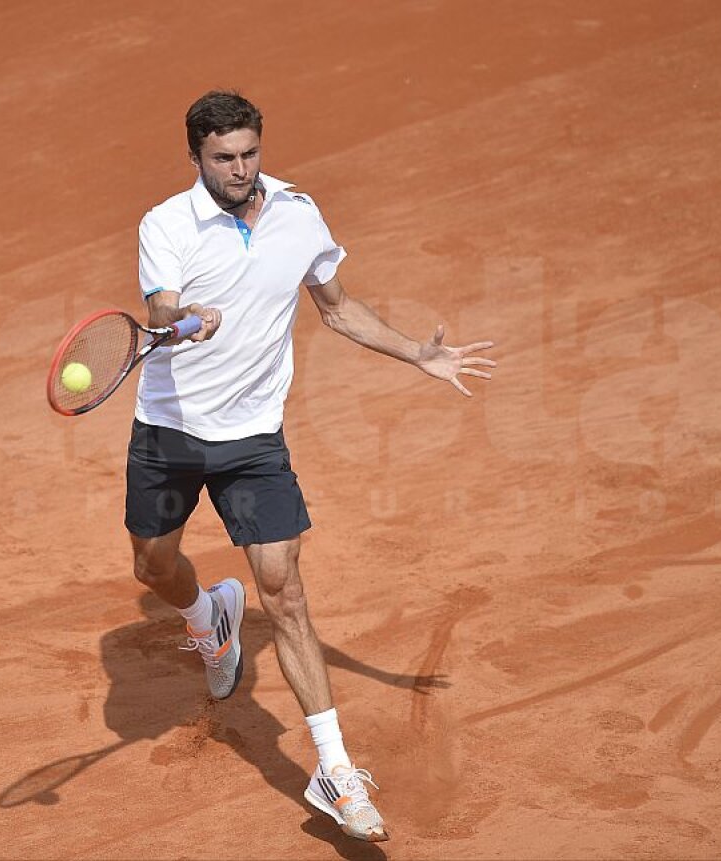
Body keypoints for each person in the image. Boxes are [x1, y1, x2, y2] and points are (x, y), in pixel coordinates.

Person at [126, 90, 496, 843]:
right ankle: (209, 616)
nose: (240, 169)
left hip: (255, 436)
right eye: (223, 158)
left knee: (284, 591)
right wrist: (186, 320)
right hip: (169, 430)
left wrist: (417, 353)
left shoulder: (299, 212)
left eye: (249, 153)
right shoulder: (165, 225)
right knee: (154, 567)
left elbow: (336, 305)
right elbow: (161, 310)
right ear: (195, 157)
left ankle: (334, 770)